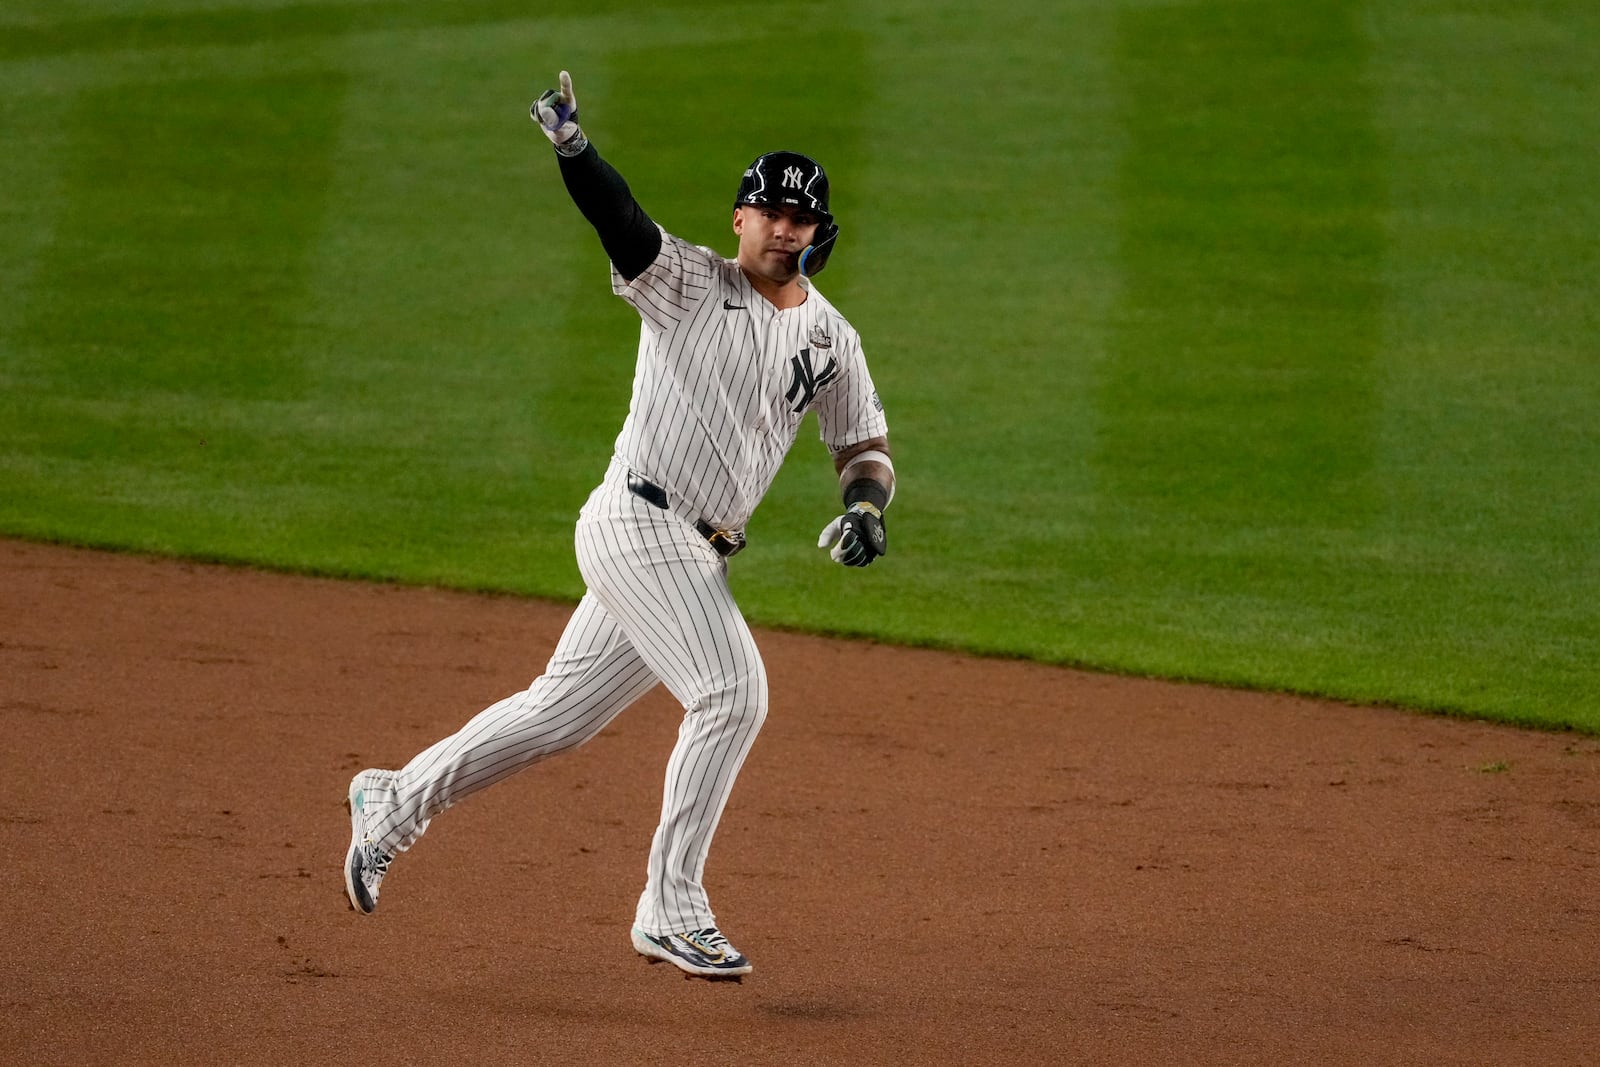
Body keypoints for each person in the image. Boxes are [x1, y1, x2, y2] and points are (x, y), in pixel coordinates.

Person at [342, 70, 896, 981]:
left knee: (556, 714)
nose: (785, 228)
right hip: (638, 521)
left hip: (695, 553)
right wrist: (573, 146)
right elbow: (621, 220)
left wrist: (866, 509)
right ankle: (670, 907)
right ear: (740, 218)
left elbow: (862, 443)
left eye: (801, 217)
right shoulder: (683, 280)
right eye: (770, 212)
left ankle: (393, 799)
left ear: (818, 230)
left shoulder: (832, 337)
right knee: (733, 693)